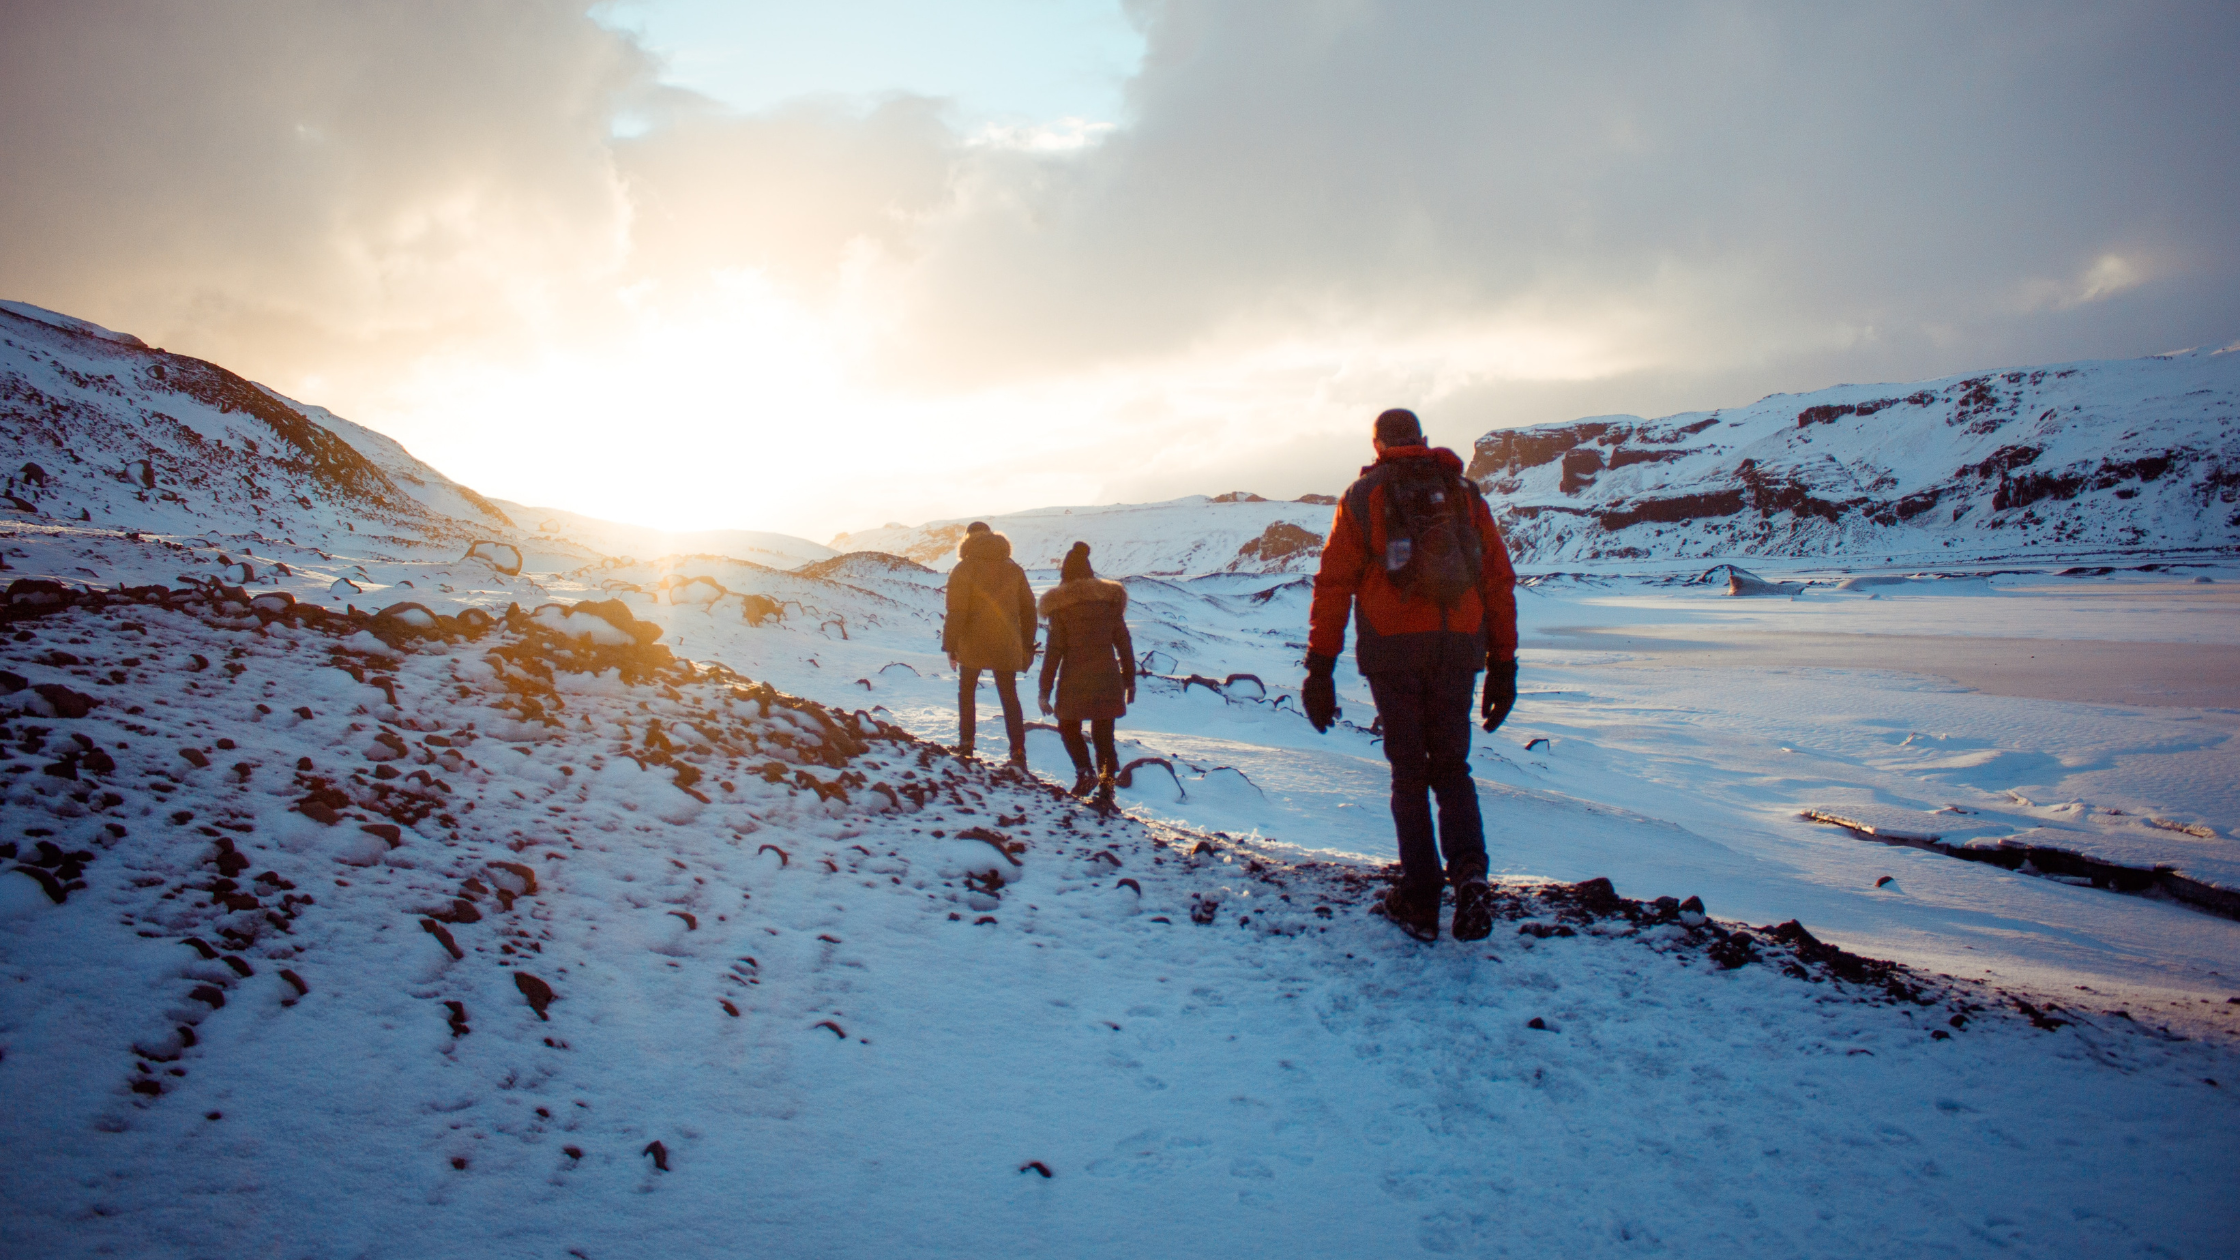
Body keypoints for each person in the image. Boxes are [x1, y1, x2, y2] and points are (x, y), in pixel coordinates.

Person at [1303, 408, 1519, 942]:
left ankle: (1421, 899)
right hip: (1457, 648)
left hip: (1392, 650)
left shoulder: (1364, 496)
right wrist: (1503, 665)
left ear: (1377, 444)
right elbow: (1497, 581)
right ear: (1421, 439)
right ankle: (1470, 876)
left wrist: (1320, 670)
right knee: (1452, 767)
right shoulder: (1464, 492)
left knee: (1408, 771)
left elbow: (1333, 585)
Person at [1037, 542, 1135, 804]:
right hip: (1108, 678)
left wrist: (1044, 691)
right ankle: (1107, 792)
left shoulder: (1061, 607)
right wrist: (1130, 681)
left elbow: (1053, 653)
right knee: (1105, 739)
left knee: (1068, 726)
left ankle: (1084, 772)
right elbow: (1124, 643)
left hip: (1074, 680)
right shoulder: (1110, 602)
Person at [942, 521, 1037, 766]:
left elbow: (956, 611)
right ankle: (1018, 752)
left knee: (967, 693)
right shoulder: (1013, 568)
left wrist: (951, 647)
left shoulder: (963, 569)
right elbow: (1028, 610)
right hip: (1007, 643)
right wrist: (1026, 644)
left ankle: (966, 746)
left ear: (968, 539)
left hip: (972, 643)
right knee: (1009, 696)